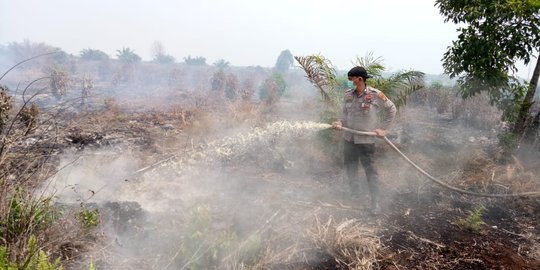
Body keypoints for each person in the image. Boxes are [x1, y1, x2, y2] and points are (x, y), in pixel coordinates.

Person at [332, 66, 396, 215]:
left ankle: (375, 203)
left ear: (359, 79)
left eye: (351, 79)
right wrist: (340, 123)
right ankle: (356, 195)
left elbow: (392, 109)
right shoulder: (348, 95)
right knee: (350, 167)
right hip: (349, 139)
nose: (349, 82)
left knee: (370, 171)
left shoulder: (375, 95)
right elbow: (344, 115)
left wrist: (383, 128)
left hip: (366, 140)